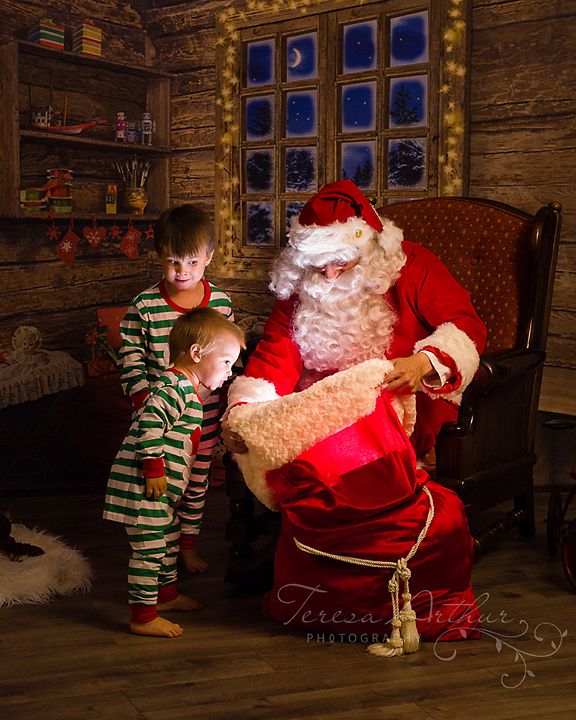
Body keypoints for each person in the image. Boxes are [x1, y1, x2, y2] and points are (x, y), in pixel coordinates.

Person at [222, 179, 487, 463]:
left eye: (340, 262)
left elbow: (465, 326)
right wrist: (244, 410)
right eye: (318, 264)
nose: (329, 275)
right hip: (322, 410)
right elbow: (276, 352)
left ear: (365, 247)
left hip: (401, 403)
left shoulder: (411, 264)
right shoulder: (302, 283)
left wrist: (422, 363)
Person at [104, 308, 245, 638]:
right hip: (144, 488)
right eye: (225, 362)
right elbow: (149, 426)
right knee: (150, 550)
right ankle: (142, 615)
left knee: (167, 541)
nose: (229, 372)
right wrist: (153, 468)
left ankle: (165, 597)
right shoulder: (173, 387)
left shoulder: (189, 393)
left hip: (161, 492)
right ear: (196, 353)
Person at [118, 204, 234, 574]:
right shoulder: (146, 306)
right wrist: (143, 400)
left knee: (196, 484)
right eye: (172, 262)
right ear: (158, 257)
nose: (182, 272)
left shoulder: (220, 303)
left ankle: (187, 546)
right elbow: (132, 358)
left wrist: (229, 400)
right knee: (162, 486)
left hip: (207, 413)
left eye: (192, 263)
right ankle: (158, 550)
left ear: (208, 259)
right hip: (162, 419)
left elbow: (227, 356)